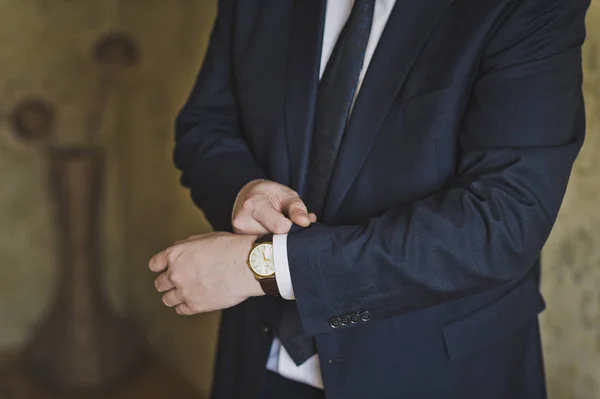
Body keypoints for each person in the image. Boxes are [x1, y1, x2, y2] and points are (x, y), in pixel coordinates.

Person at [148, 0, 590, 398]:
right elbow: (207, 126)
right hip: (261, 358)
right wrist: (245, 189)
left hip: (437, 371)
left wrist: (260, 266)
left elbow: (502, 222)